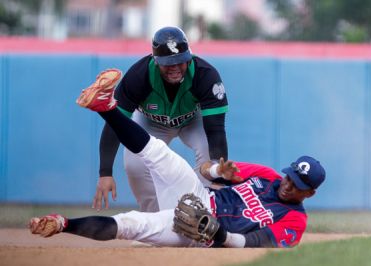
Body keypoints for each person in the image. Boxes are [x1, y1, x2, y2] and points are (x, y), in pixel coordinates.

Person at [29, 69, 326, 248]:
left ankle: (62, 224)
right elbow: (207, 171)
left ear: (310, 193)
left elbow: (255, 243)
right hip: (197, 196)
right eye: (290, 176)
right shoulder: (267, 176)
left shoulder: (294, 220)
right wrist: (218, 171)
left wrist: (219, 234)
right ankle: (106, 106)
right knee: (158, 151)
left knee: (132, 223)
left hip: (199, 234)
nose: (288, 184)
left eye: (298, 184)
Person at [96, 26, 229, 212]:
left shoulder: (205, 74)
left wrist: (217, 178)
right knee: (134, 163)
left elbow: (216, 130)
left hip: (192, 120)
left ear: (188, 57)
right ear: (155, 60)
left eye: (180, 61)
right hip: (151, 122)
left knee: (209, 155)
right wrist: (105, 173)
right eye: (168, 62)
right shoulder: (138, 76)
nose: (175, 67)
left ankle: (204, 215)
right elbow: (114, 125)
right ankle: (154, 221)